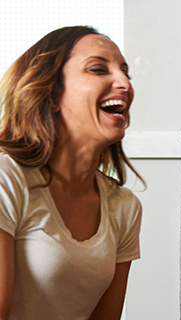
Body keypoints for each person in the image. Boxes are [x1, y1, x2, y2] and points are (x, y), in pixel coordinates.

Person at [0, 26, 143, 320]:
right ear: (51, 93)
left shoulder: (124, 207)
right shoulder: (7, 180)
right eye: (98, 69)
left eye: (126, 73)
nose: (124, 84)